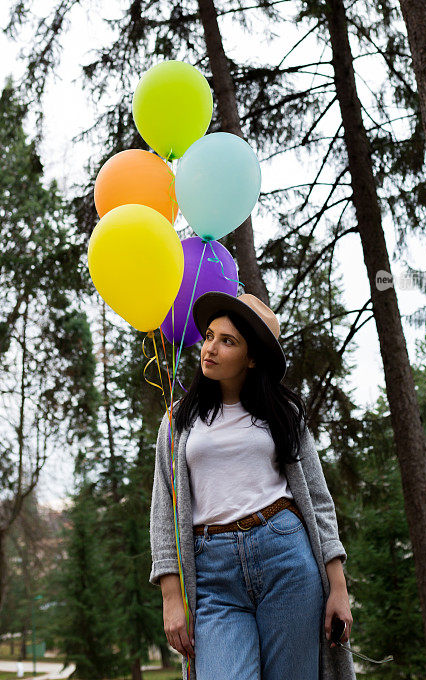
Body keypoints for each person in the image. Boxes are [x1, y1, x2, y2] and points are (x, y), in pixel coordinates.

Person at [149, 291, 357, 680]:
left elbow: (317, 499)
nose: (209, 348)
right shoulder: (179, 419)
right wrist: (171, 597)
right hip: (213, 575)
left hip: (286, 557)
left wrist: (338, 589)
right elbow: (164, 510)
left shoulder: (285, 413)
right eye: (209, 336)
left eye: (227, 341)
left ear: (252, 357)